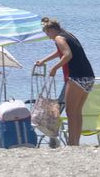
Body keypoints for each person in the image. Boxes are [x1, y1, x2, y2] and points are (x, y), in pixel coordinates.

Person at [34, 16, 96, 147]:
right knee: (77, 111)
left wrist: (54, 68)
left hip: (77, 76)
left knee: (70, 111)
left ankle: (72, 143)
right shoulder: (68, 34)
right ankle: (75, 143)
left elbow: (67, 55)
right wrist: (44, 60)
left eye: (47, 33)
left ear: (51, 30)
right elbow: (60, 52)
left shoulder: (58, 38)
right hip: (89, 76)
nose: (48, 37)